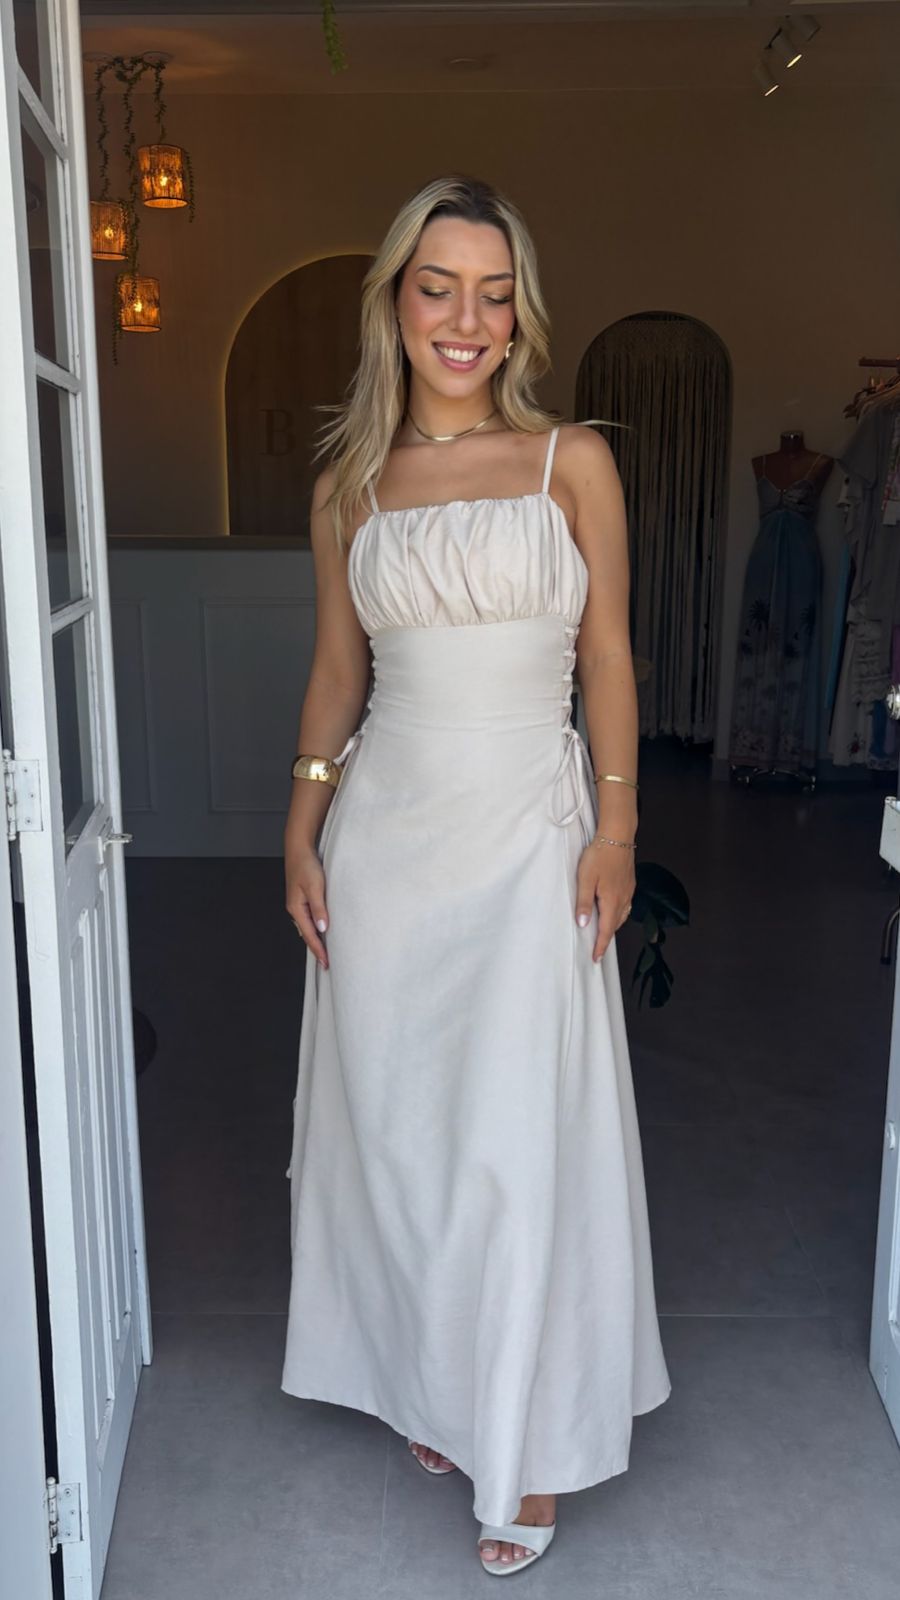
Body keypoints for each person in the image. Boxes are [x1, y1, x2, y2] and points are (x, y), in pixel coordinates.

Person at [280, 173, 671, 1576]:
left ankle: (530, 1442)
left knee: (517, 1142)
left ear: (521, 316)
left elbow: (608, 653)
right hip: (389, 840)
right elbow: (340, 674)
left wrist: (616, 830)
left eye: (494, 295)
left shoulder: (573, 461)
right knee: (409, 1136)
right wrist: (300, 823)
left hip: (527, 839)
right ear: (394, 301)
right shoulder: (348, 487)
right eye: (438, 287)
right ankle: (441, 1380)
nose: (466, 319)